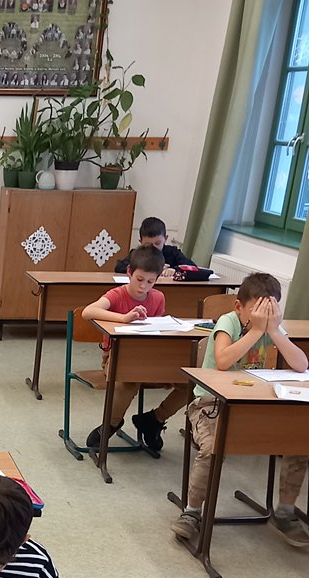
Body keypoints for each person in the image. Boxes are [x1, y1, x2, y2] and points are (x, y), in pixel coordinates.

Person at [172, 272, 309, 549]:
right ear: (239, 306)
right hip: (210, 405)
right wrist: (256, 330)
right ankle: (192, 511)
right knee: (212, 446)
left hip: (255, 407)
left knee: (299, 441)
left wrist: (274, 330)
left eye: (270, 310)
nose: (264, 317)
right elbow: (223, 361)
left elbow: (301, 364)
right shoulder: (229, 321)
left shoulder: (273, 328)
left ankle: (285, 511)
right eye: (258, 310)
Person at [83, 245, 188, 455]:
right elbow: (88, 312)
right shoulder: (117, 295)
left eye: (150, 282)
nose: (143, 286)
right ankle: (112, 423)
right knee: (127, 381)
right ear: (130, 272)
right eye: (139, 279)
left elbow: (157, 329)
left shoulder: (158, 298)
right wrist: (123, 318)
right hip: (117, 358)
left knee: (190, 384)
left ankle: (154, 419)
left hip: (151, 359)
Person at [114, 216, 196, 274]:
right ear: (141, 242)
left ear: (165, 238)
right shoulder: (137, 253)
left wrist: (175, 270)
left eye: (157, 243)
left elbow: (193, 267)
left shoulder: (172, 252)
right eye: (148, 244)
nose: (153, 247)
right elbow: (119, 267)